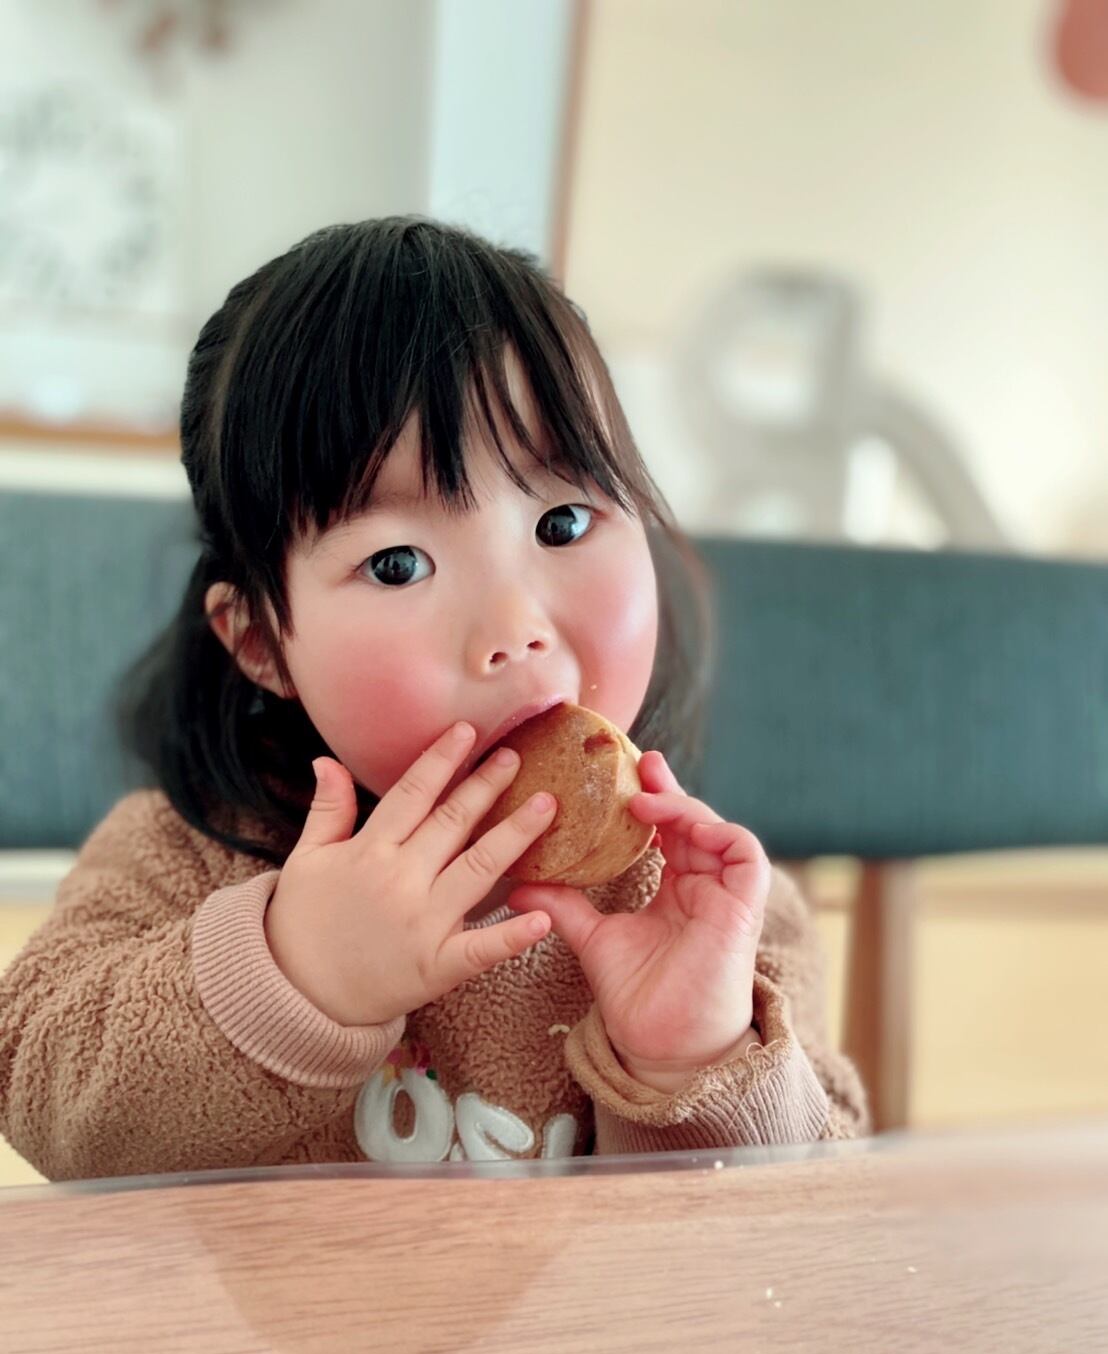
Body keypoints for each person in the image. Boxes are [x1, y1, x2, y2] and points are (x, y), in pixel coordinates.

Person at [0, 217, 867, 1179]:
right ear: (263, 644)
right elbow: (40, 1092)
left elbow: (810, 1226)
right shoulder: (184, 856)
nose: (513, 626)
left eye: (563, 521)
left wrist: (695, 1059)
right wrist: (294, 973)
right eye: (397, 563)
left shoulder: (714, 907)